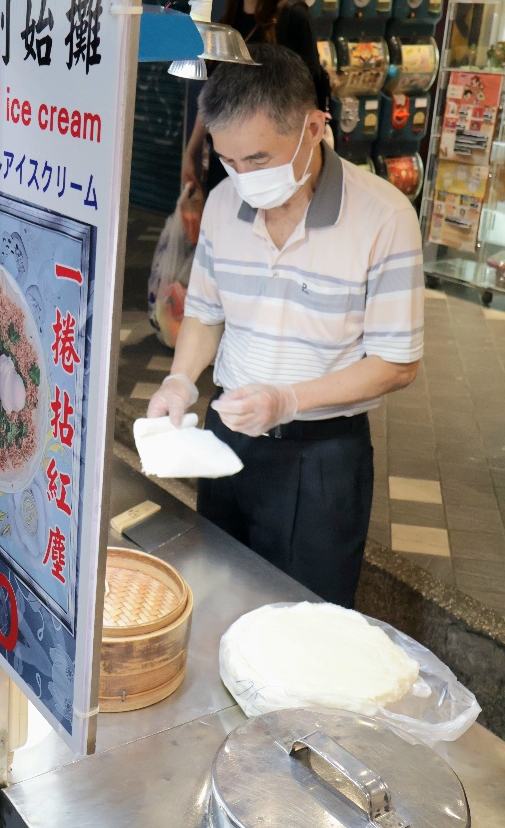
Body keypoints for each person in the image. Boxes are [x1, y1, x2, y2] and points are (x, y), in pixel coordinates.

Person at [147, 45, 424, 608]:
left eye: (258, 160)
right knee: (217, 597)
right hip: (228, 439)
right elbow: (206, 311)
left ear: (313, 127)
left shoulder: (385, 217)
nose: (242, 176)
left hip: (321, 458)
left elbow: (396, 364)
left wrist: (289, 400)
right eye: (228, 160)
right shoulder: (225, 204)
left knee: (306, 618)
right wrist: (180, 379)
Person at [181, 0, 331, 207]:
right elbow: (213, 94)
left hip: (269, 162)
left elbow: (309, 97)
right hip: (227, 156)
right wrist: (193, 148)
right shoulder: (229, 20)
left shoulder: (291, 17)